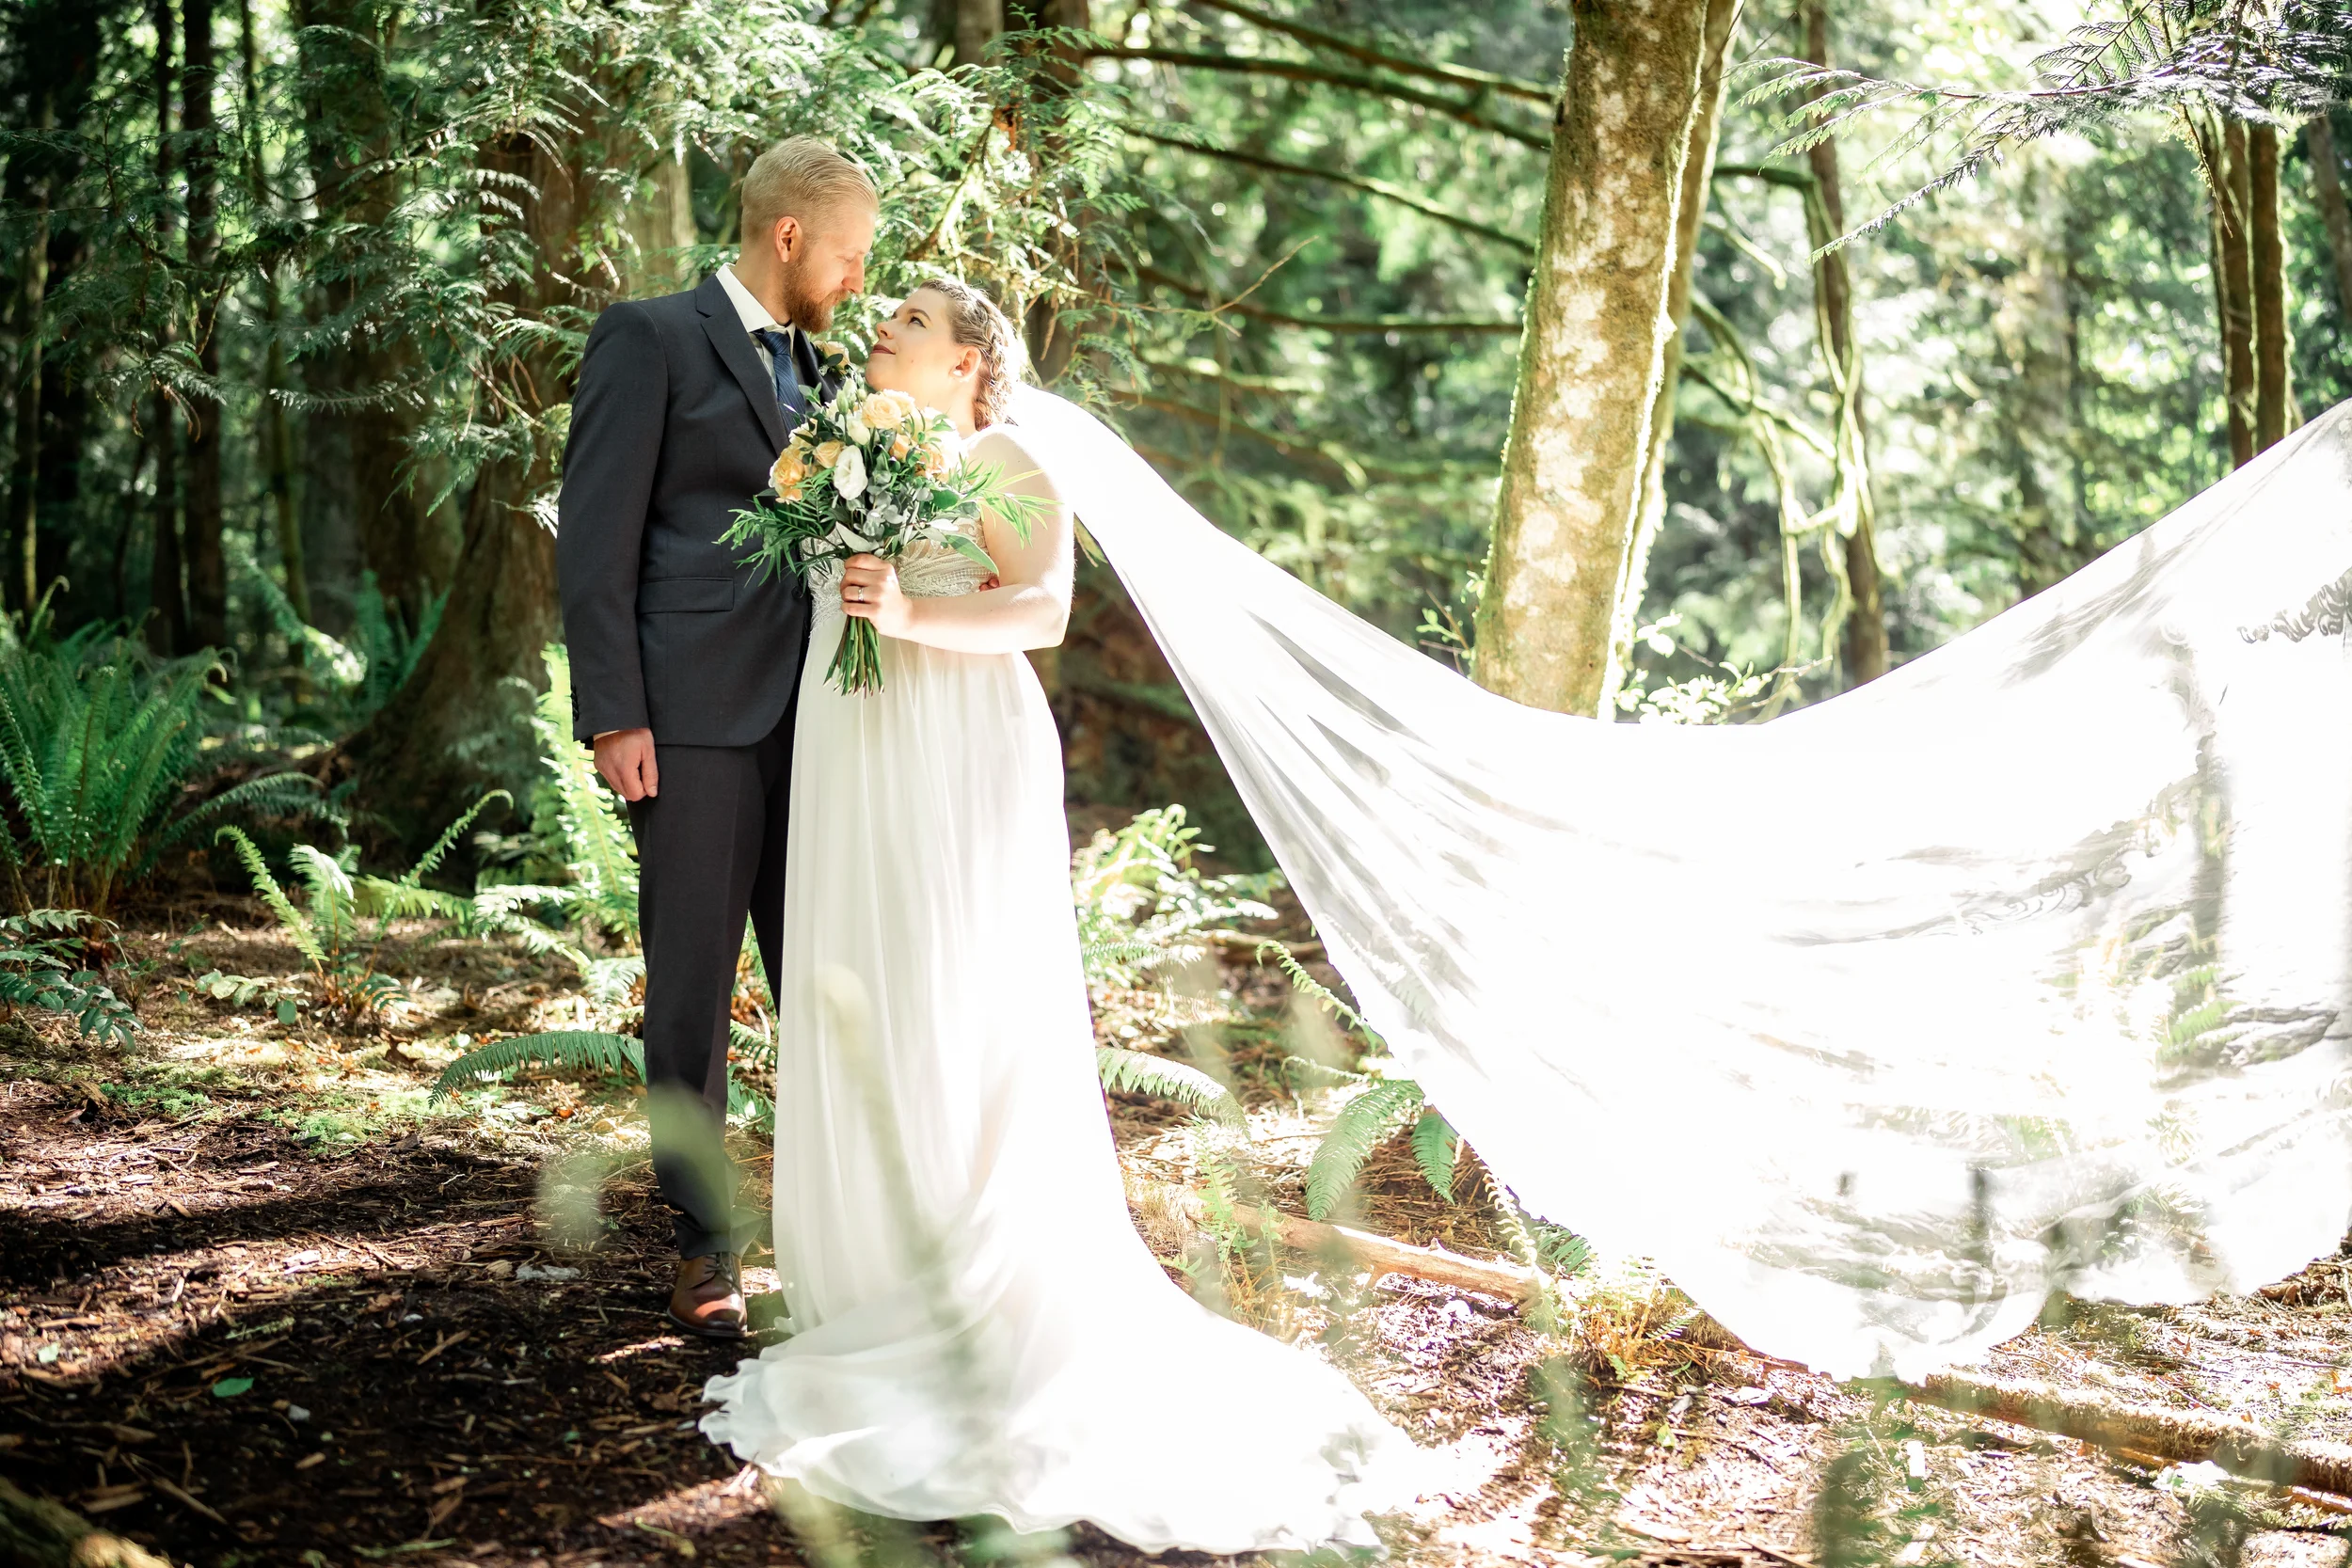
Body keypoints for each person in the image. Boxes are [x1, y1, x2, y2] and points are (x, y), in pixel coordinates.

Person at [697, 278, 1422, 1550]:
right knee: (865, 981)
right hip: (857, 743)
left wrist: (906, 606)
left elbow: (1040, 608)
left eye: (915, 318)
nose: (886, 325)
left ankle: (964, 1281)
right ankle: (869, 1271)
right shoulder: (859, 444)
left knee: (951, 996)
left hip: (956, 745)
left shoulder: (1005, 451)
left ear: (973, 355)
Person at [555, 136, 876, 1340]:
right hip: (687, 720)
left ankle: (837, 1226)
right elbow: (594, 537)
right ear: (786, 236)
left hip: (822, 721)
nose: (857, 276)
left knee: (824, 976)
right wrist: (614, 710)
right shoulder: (648, 337)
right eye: (847, 252)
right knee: (691, 988)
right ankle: (704, 1246)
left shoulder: (831, 368)